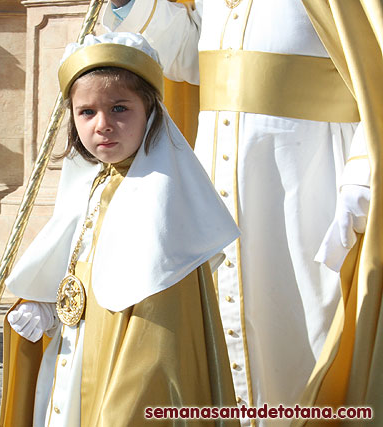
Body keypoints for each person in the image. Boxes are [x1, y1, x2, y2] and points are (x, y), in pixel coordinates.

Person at [104, 0, 371, 421]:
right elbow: (192, 56)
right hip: (218, 184)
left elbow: (374, 61)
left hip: (311, 183)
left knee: (308, 325)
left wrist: (364, 173)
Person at [0, 33, 241, 427]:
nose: (103, 125)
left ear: (151, 112)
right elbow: (73, 258)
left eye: (119, 108)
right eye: (87, 112)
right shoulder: (93, 182)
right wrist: (42, 302)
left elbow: (157, 347)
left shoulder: (164, 199)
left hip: (121, 366)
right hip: (77, 353)